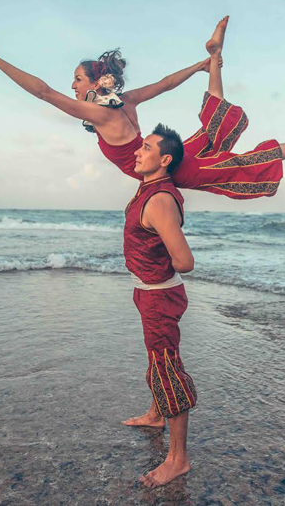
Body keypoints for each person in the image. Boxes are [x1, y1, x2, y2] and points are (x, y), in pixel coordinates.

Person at [0, 17, 285, 198]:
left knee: (243, 164)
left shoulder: (99, 112)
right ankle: (215, 59)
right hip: (162, 154)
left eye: (77, 79)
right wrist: (199, 66)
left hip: (170, 168)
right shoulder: (123, 101)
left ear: (95, 82)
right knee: (213, 131)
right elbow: (165, 84)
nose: (72, 86)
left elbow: (42, 92)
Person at [123, 123, 195, 488]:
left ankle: (178, 459)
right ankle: (155, 415)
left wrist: (156, 268)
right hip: (148, 292)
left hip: (159, 296)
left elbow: (184, 261)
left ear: (164, 160)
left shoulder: (160, 200)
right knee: (157, 360)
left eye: (146, 148)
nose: (138, 152)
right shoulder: (149, 187)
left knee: (168, 368)